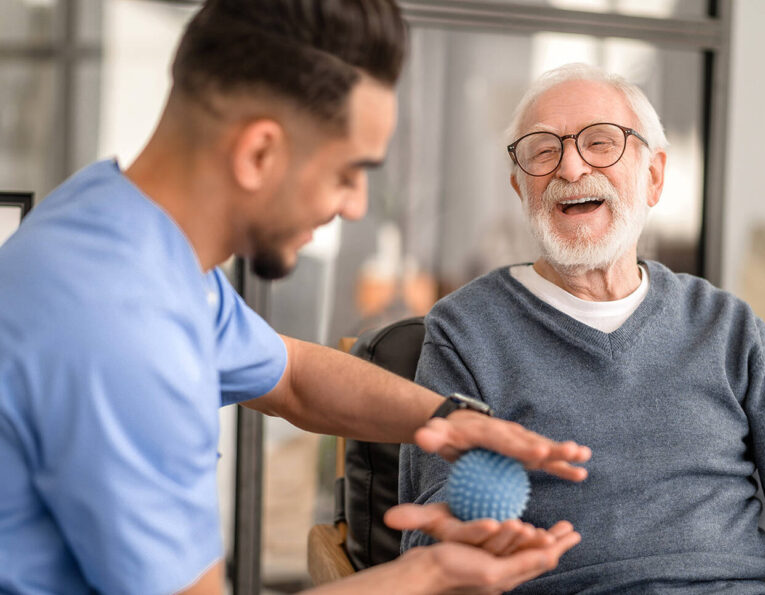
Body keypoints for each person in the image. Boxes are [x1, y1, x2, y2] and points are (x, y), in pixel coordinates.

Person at [0, 2, 597, 594]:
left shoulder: (125, 234)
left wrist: (447, 421)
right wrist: (429, 575)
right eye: (347, 173)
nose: (357, 205)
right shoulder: (121, 327)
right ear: (259, 153)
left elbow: (294, 378)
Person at [399, 62, 765, 593]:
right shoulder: (466, 331)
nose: (570, 167)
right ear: (520, 186)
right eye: (543, 150)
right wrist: (473, 537)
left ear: (653, 175)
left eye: (601, 143)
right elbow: (433, 539)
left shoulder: (728, 327)